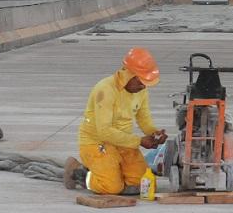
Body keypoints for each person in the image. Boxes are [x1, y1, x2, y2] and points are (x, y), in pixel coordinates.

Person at [64, 47, 168, 194]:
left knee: (145, 184)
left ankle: (112, 171)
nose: (143, 87)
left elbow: (143, 117)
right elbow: (104, 132)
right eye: (140, 82)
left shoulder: (141, 90)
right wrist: (139, 141)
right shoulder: (105, 90)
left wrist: (153, 132)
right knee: (111, 187)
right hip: (97, 143)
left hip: (122, 142)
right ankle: (79, 173)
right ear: (128, 75)